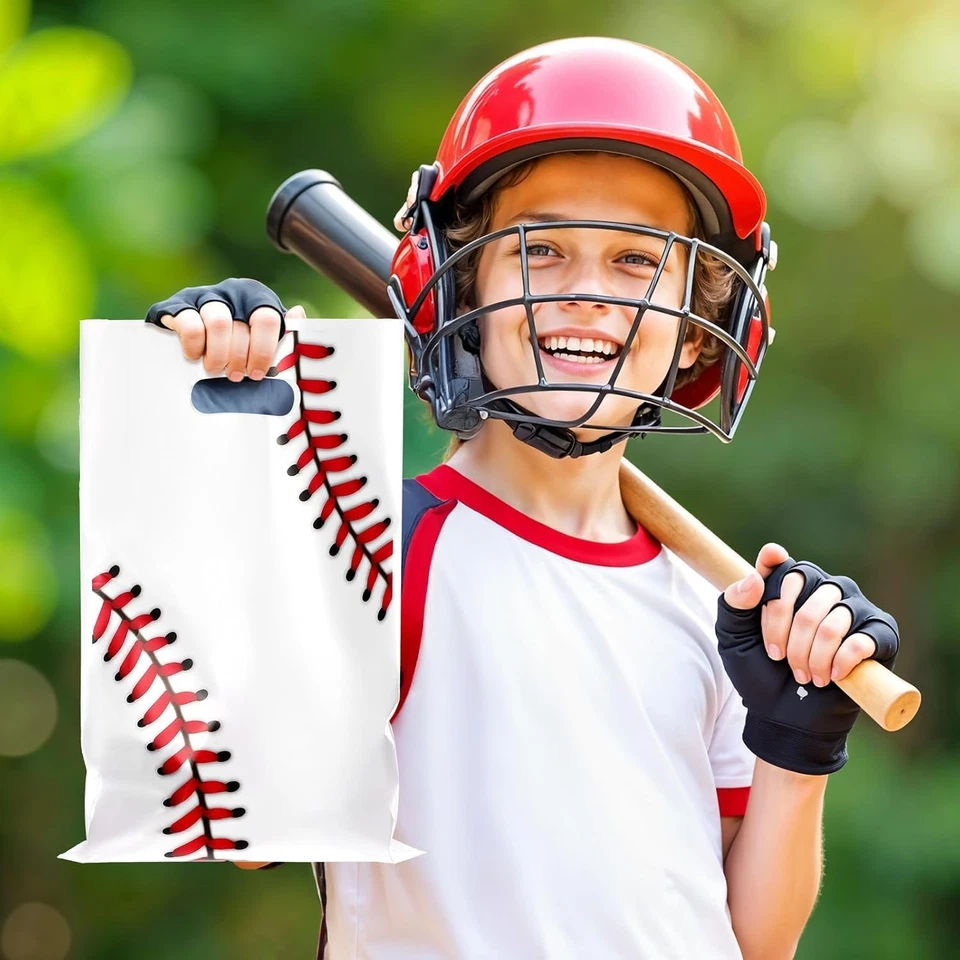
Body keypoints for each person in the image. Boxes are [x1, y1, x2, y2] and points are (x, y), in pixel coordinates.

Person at [145, 37, 900, 960]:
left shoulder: (715, 607)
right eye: (540, 249)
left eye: (636, 261)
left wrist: (797, 741)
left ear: (703, 323)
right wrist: (223, 458)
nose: (587, 293)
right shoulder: (378, 547)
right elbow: (251, 825)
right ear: (460, 282)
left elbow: (756, 937)